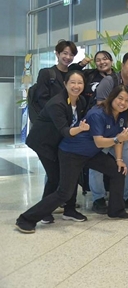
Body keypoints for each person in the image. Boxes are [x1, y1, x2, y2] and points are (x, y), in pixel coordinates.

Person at [16, 86, 128, 234]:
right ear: (112, 98)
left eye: (127, 100)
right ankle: (25, 219)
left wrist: (119, 159)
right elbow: (100, 141)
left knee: (118, 171)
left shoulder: (122, 115)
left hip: (90, 153)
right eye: (120, 98)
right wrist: (118, 139)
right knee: (64, 193)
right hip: (71, 153)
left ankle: (116, 210)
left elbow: (120, 138)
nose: (123, 103)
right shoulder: (97, 114)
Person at [24, 71, 89, 224]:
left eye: (80, 83)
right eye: (72, 82)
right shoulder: (57, 103)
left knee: (71, 174)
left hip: (61, 143)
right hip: (44, 142)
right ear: (65, 84)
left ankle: (70, 210)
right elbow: (64, 130)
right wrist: (80, 129)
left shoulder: (81, 101)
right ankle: (44, 213)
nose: (76, 86)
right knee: (55, 177)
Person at [90, 53, 128, 214]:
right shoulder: (109, 81)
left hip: (120, 131)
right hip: (102, 132)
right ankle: (98, 199)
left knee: (127, 164)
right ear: (123, 65)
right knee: (97, 166)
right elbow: (101, 105)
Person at [31, 40, 79, 120]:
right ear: (57, 54)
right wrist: (56, 114)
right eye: (65, 53)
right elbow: (42, 98)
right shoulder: (46, 73)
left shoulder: (73, 75)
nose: (68, 57)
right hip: (50, 118)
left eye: (71, 55)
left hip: (68, 118)